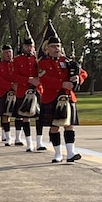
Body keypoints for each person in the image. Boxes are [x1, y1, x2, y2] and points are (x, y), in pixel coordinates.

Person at [37, 21, 88, 163]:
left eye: (58, 46)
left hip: (67, 96)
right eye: (53, 46)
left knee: (69, 125)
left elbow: (83, 73)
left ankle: (71, 152)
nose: (56, 49)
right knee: (54, 126)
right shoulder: (43, 63)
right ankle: (57, 154)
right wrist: (62, 83)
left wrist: (77, 78)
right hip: (51, 97)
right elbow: (44, 79)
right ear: (46, 49)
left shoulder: (68, 61)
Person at [12, 29, 45, 152]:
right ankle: (29, 143)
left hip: (37, 90)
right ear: (23, 46)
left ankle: (39, 142)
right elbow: (14, 76)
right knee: (25, 117)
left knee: (39, 117)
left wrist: (38, 80)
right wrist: (29, 80)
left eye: (31, 45)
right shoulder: (17, 60)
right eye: (27, 45)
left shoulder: (38, 60)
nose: (29, 47)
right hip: (23, 91)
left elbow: (44, 74)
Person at [0, 44, 18, 146]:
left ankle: (18, 137)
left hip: (16, 92)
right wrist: (10, 85)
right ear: (2, 54)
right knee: (5, 116)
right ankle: (8, 137)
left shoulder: (16, 63)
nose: (8, 54)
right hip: (4, 92)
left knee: (19, 116)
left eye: (10, 52)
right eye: (6, 53)